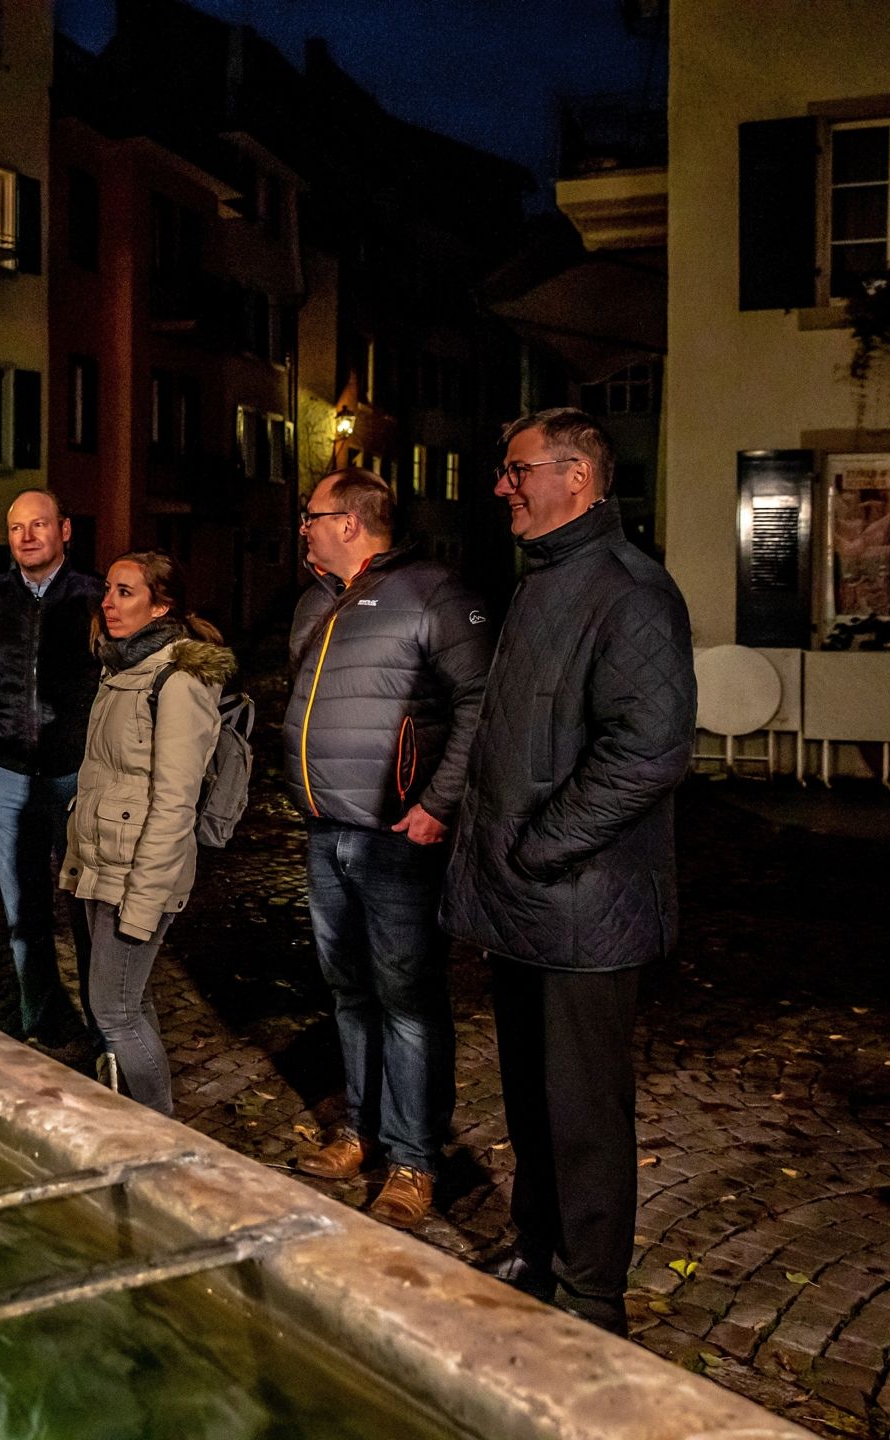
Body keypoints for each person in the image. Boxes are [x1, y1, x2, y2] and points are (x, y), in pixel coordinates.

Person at [442, 407, 694, 1334]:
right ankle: (538, 1253)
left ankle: (591, 1296)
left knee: (585, 1112)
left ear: (575, 478)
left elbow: (649, 749)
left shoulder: (631, 592)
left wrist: (542, 844)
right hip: (526, 901)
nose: (502, 486)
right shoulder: (541, 583)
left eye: (517, 471)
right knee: (531, 1098)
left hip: (585, 905)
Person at [283, 469, 494, 1229]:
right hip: (325, 828)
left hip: (397, 838)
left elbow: (479, 702)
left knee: (409, 1000)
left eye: (311, 516)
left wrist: (439, 804)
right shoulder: (318, 601)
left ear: (350, 521)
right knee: (348, 990)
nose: (301, 527)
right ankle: (361, 1132)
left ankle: (414, 1159)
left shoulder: (431, 593)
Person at [60, 552, 233, 1115]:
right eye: (108, 589)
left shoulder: (177, 681)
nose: (108, 602)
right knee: (129, 1002)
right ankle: (141, 1117)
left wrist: (144, 898)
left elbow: (175, 803)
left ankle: (160, 1134)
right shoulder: (122, 669)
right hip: (103, 862)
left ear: (161, 606)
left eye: (125, 592)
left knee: (113, 1011)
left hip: (136, 872)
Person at [0, 488, 104, 1039]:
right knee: (24, 913)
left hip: (76, 776)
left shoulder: (96, 599)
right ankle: (42, 1016)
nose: (27, 536)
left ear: (64, 530)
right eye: (16, 528)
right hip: (7, 775)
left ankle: (105, 1024)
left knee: (88, 910)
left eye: (38, 525)